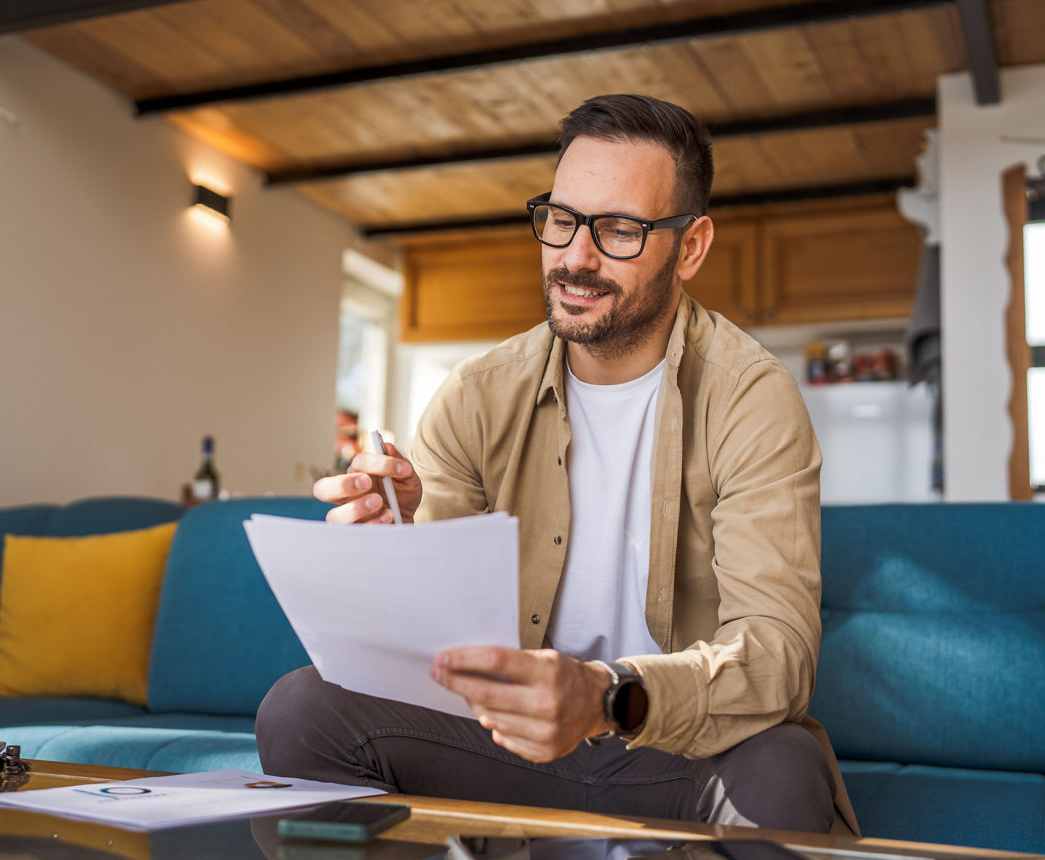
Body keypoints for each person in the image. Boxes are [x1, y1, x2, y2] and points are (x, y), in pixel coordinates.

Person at [257, 94, 856, 834]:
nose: (575, 257)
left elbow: (778, 653)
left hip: (665, 749)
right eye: (564, 220)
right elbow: (440, 651)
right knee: (302, 710)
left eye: (620, 230)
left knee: (784, 770)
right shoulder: (476, 396)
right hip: (507, 748)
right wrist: (400, 548)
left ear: (690, 247)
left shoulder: (751, 399)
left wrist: (606, 695)